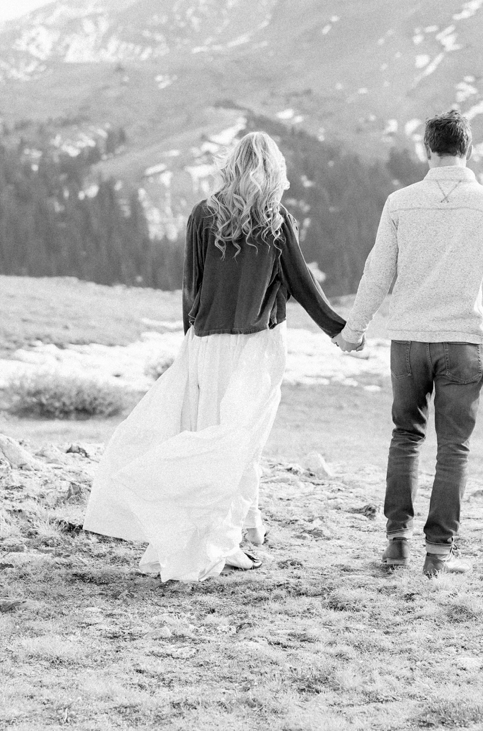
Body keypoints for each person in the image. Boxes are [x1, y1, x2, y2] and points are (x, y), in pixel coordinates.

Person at [83, 131, 347, 582]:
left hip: (206, 345)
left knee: (212, 436)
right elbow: (303, 284)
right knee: (240, 443)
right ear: (274, 169)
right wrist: (340, 331)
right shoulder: (276, 219)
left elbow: (192, 286)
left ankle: (233, 531)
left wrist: (192, 339)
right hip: (254, 347)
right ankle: (223, 541)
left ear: (232, 163)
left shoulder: (203, 214)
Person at [335, 109, 483, 578]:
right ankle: (438, 552)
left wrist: (354, 328)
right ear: (468, 149)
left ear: (428, 148)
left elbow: (378, 272)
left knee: (405, 436)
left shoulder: (399, 202)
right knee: (454, 447)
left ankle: (396, 541)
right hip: (461, 342)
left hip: (408, 342)